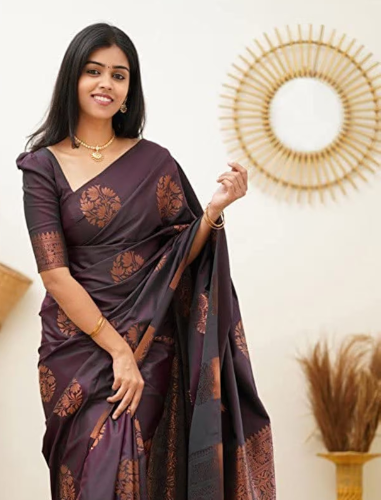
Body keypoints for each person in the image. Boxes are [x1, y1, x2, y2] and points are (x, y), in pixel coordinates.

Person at [16, 22, 275, 500]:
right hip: (77, 347)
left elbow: (178, 256)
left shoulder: (155, 162)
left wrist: (213, 211)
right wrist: (118, 352)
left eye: (119, 75)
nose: (106, 84)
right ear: (73, 78)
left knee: (141, 473)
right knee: (89, 475)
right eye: (94, 71)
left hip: (149, 342)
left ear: (129, 90)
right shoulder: (41, 167)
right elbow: (54, 274)